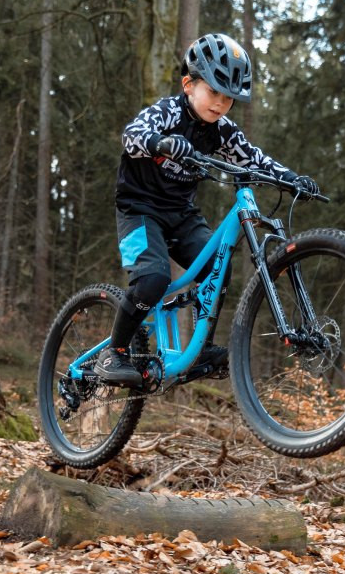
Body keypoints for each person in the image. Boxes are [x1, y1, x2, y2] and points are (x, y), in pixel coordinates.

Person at [93, 33, 317, 387]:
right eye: (214, 92)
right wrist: (161, 141)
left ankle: (200, 349)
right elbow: (132, 134)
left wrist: (291, 179)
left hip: (181, 214)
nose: (220, 104)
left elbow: (254, 159)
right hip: (139, 210)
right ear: (188, 84)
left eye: (228, 98)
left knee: (218, 267)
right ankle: (115, 352)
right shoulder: (167, 112)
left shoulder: (223, 132)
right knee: (152, 279)